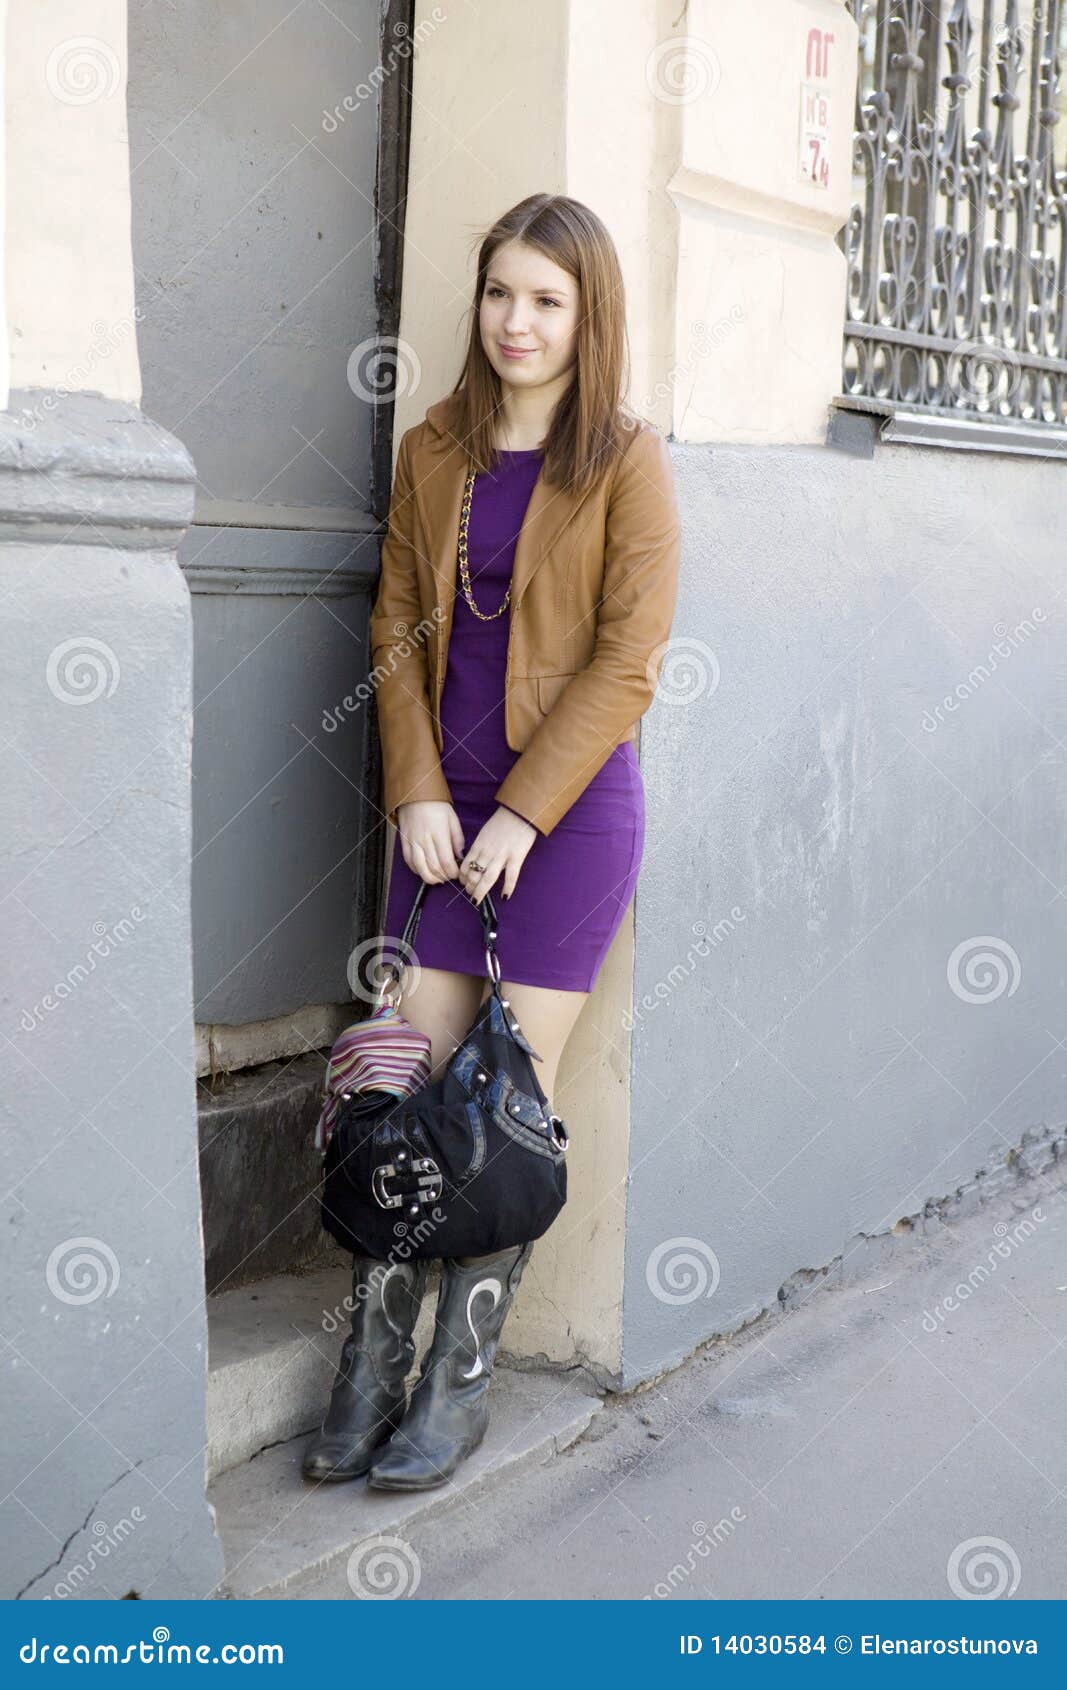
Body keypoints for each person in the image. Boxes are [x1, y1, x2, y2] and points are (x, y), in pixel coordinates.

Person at [303, 191, 681, 1493]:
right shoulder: (432, 450)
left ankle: (456, 1383)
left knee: (498, 1105)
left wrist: (524, 810)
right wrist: (415, 783)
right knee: (403, 1080)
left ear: (589, 317)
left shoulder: (625, 459)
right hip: (437, 816)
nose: (517, 321)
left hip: (563, 824)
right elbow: (397, 622)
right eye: (500, 292)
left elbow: (630, 659)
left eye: (547, 299)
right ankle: (369, 1362)